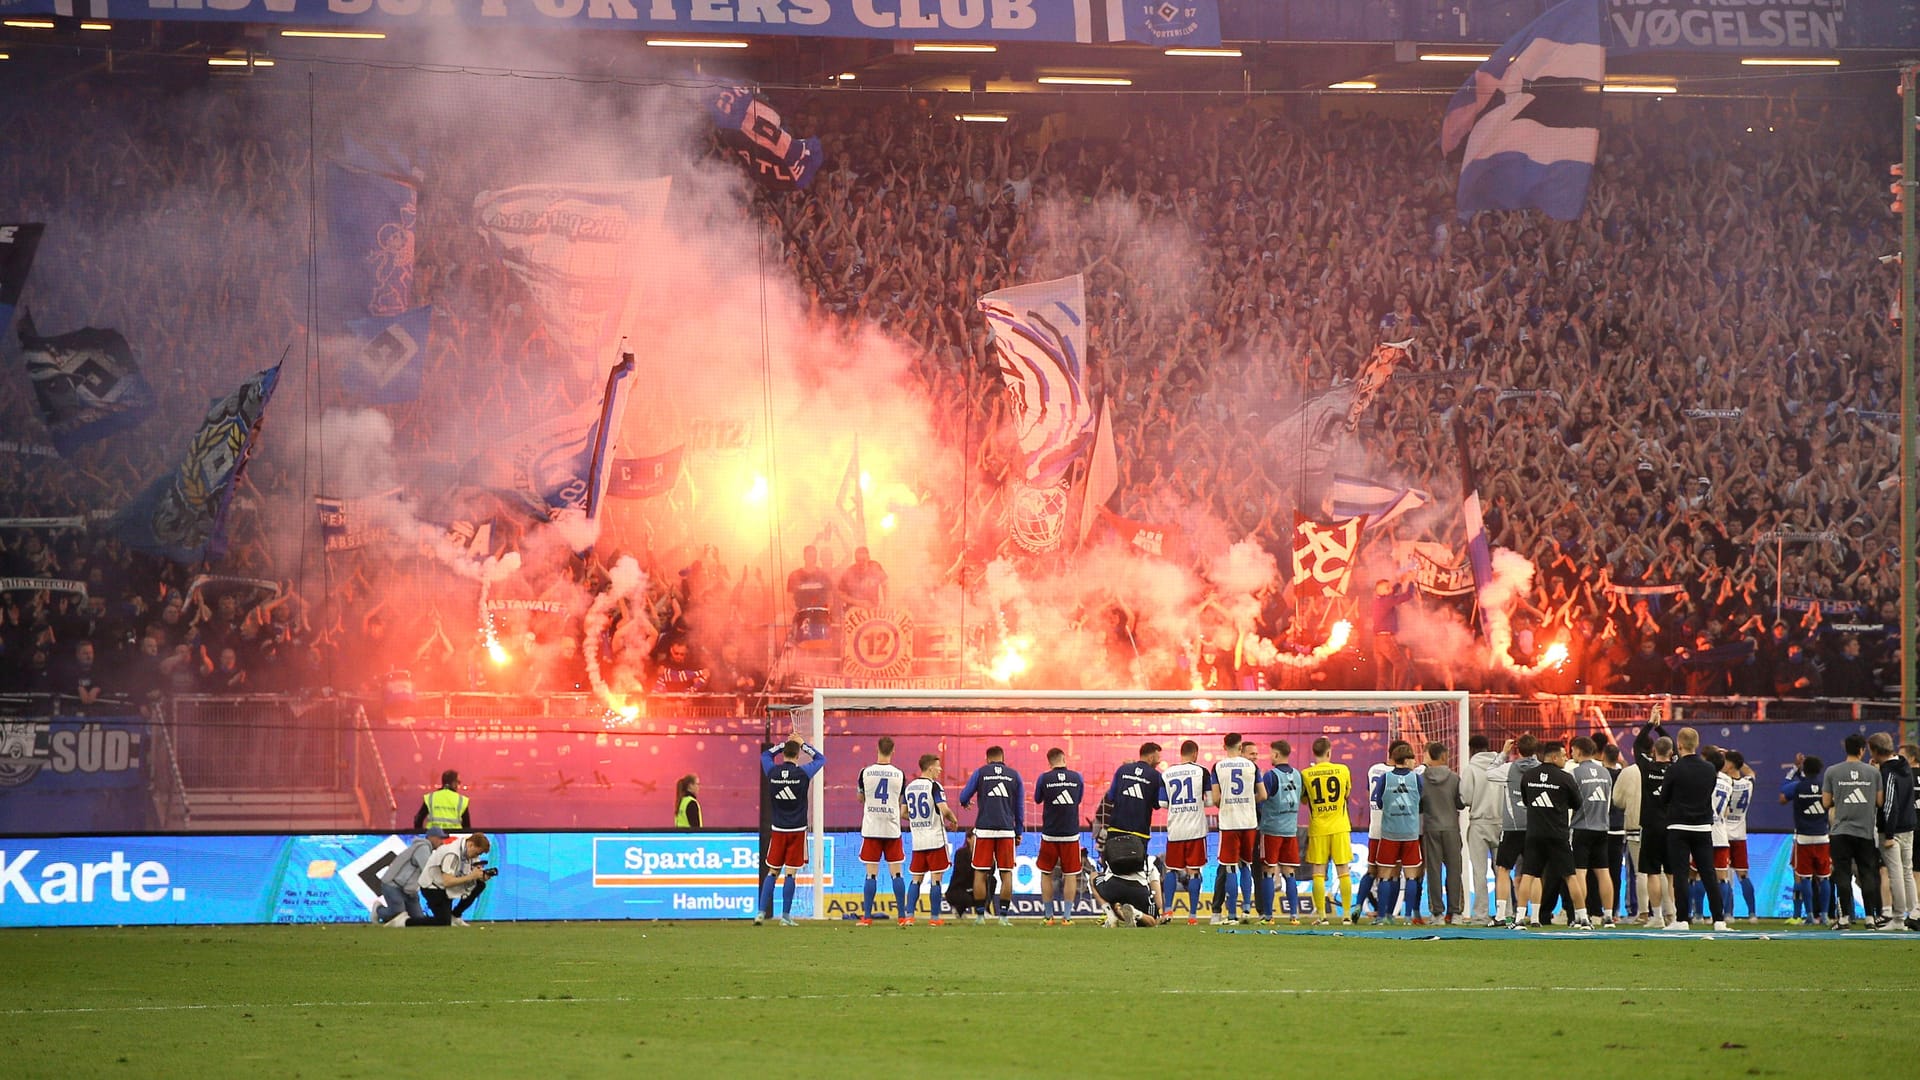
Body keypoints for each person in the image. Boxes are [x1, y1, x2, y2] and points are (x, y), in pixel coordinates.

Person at [1661, 727, 1729, 931]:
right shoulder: (1709, 769)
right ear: (1697, 744)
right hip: (1702, 826)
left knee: (1681, 874)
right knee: (1709, 873)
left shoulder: (1674, 769)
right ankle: (1719, 920)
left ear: (1679, 745)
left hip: (1678, 825)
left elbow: (1664, 798)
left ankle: (1682, 920)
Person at [757, 734, 826, 926]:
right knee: (790, 873)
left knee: (772, 872)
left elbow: (765, 756)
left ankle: (761, 913)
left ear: (784, 754)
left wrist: (781, 745)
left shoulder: (772, 771)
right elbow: (821, 759)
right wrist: (803, 744)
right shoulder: (803, 773)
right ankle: (785, 916)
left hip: (778, 829)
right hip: (797, 830)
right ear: (797, 755)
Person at [1522, 741, 1588, 929]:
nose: (1566, 758)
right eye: (1563, 755)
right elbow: (1577, 803)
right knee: (1570, 875)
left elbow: (1527, 801)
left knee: (1528, 875)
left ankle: (1519, 917)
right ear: (1553, 757)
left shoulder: (1528, 775)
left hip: (1534, 833)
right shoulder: (1565, 778)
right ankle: (1582, 917)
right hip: (1558, 833)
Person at [1822, 733, 1884, 929]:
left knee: (1842, 874)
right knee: (1867, 874)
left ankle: (1844, 919)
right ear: (1861, 750)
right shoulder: (1874, 773)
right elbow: (1880, 802)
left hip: (1840, 831)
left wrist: (1840, 799)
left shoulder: (1832, 771)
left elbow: (1825, 802)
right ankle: (1870, 918)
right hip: (1865, 832)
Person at [958, 745, 1023, 925]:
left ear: (987, 759)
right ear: (1003, 758)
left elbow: (963, 796)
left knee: (980, 872)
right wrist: (1018, 831)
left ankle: (980, 916)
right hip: (1006, 830)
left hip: (984, 830)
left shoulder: (981, 773)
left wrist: (965, 803)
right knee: (1006, 873)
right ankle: (1003, 916)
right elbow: (1019, 807)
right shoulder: (1014, 775)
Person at [1369, 743, 1424, 926]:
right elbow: (1421, 802)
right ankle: (1408, 917)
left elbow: (1378, 801)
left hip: (1390, 833)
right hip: (1410, 833)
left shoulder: (1385, 778)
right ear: (1407, 759)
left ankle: (1383, 916)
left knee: (1384, 875)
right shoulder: (1417, 779)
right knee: (1411, 876)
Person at [1300, 736, 1354, 924]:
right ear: (1329, 752)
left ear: (1314, 753)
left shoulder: (1306, 774)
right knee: (1343, 871)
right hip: (1340, 827)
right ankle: (1346, 915)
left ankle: (1322, 916)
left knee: (1318, 872)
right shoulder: (1343, 770)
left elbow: (1304, 800)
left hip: (1318, 829)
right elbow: (1347, 794)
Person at [1211, 733, 1263, 924]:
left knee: (1230, 867)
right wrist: (1248, 802)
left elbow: (1216, 799)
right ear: (1241, 747)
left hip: (1229, 822)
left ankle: (1231, 914)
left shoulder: (1217, 767)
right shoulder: (1252, 766)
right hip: (1249, 822)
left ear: (1224, 747)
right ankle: (1247, 910)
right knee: (1246, 865)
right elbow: (1263, 794)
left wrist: (1226, 803)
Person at [856, 736, 907, 926]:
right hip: (892, 829)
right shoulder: (900, 774)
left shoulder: (865, 772)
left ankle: (867, 917)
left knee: (871, 874)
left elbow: (860, 798)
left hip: (872, 828)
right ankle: (902, 916)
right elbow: (901, 800)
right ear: (893, 751)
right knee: (897, 874)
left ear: (877, 749)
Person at [903, 753, 959, 925]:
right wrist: (954, 819)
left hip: (918, 841)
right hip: (935, 839)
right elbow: (943, 809)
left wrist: (918, 820)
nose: (940, 770)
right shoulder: (934, 786)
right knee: (936, 879)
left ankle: (909, 917)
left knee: (916, 879)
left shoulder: (910, 787)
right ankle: (934, 918)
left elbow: (903, 814)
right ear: (930, 768)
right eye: (938, 766)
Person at [1868, 733, 1917, 929]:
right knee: (1907, 872)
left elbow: (1889, 804)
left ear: (1875, 751)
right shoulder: (1904, 765)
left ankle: (1897, 918)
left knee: (1895, 873)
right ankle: (1914, 913)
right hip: (1909, 826)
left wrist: (1888, 834)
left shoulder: (1888, 773)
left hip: (1893, 831)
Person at [1160, 739, 1211, 923]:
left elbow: (1162, 803)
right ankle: (1192, 916)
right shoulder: (1202, 771)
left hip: (1175, 830)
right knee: (1194, 871)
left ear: (1181, 754)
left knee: (1172, 870)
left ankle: (1167, 911)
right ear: (1195, 754)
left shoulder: (1167, 773)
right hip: (1196, 830)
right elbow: (1211, 801)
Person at [1033, 747, 1085, 925]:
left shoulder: (1043, 778)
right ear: (1064, 758)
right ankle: (1067, 917)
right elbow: (1078, 800)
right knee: (1070, 874)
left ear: (1049, 762)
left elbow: (1037, 799)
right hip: (1070, 833)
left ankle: (1048, 916)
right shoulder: (1077, 778)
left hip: (1050, 833)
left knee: (1046, 873)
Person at [1568, 737, 1616, 927]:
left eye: (1572, 751)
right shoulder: (1605, 773)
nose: (1572, 754)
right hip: (1602, 828)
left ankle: (1582, 915)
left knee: (1580, 872)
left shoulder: (1575, 773)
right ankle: (1609, 916)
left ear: (1579, 751)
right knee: (1603, 872)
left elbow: (1571, 802)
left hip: (1582, 827)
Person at [1782, 754, 1833, 926]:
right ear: (1820, 770)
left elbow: (1782, 796)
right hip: (1822, 836)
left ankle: (1810, 915)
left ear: (1804, 769)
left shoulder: (1797, 786)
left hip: (1803, 838)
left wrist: (1793, 771)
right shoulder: (1826, 787)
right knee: (1824, 877)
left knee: (1805, 878)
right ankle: (1825, 915)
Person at [1418, 741, 1465, 925]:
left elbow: (1419, 805)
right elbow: (1460, 803)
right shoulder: (1454, 778)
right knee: (1454, 871)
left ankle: (1437, 913)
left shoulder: (1422, 779)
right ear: (1444, 756)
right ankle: (1456, 913)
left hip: (1431, 827)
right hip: (1451, 828)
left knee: (1434, 871)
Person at [1257, 739, 1304, 924]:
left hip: (1271, 830)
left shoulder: (1270, 776)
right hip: (1290, 830)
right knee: (1289, 871)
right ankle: (1294, 916)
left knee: (1268, 870)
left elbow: (1262, 798)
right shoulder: (1298, 775)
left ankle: (1269, 916)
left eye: (1271, 753)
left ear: (1276, 754)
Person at [405, 832, 493, 927]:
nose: (476, 856)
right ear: (471, 845)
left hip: (445, 887)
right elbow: (447, 882)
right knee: (443, 922)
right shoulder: (452, 853)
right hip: (432, 887)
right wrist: (472, 876)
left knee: (480, 884)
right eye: (476, 853)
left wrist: (481, 876)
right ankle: (406, 922)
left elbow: (469, 875)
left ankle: (456, 915)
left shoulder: (469, 853)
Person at [1461, 734, 1504, 924]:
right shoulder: (1501, 766)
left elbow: (1465, 798)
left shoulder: (1471, 769)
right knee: (1502, 871)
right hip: (1502, 823)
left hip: (1479, 822)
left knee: (1480, 871)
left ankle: (1481, 914)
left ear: (1471, 749)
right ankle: (1505, 912)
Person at [1103, 742, 1166, 863]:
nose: (1158, 763)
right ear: (1151, 757)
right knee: (1136, 871)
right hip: (1139, 833)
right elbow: (1157, 804)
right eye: (1158, 759)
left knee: (1112, 869)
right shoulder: (1156, 776)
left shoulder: (1122, 769)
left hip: (1116, 830)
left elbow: (1111, 796)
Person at [1638, 737, 1676, 927]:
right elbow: (1676, 749)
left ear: (1653, 751)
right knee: (1671, 874)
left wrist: (1650, 724)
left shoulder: (1646, 767)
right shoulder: (1675, 767)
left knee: (1652, 873)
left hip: (1651, 826)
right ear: (1671, 753)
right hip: (1671, 825)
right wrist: (1661, 728)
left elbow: (1637, 745)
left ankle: (1658, 917)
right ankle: (1676, 916)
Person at [1722, 750, 1757, 922]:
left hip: (1724, 834)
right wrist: (1737, 759)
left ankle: (1728, 914)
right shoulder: (1748, 783)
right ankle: (1752, 914)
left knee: (1725, 876)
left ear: (1729, 765)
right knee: (1743, 874)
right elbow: (1751, 772)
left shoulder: (1724, 783)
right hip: (1740, 835)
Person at [372, 834, 434, 926]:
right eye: (440, 838)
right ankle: (378, 910)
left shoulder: (425, 849)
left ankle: (391, 917)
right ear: (432, 837)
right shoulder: (423, 848)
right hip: (393, 885)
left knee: (419, 920)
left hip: (409, 890)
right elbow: (427, 869)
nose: (442, 842)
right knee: (398, 914)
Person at [786, 544, 834, 643]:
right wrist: (798, 612)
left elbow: (830, 598)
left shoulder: (824, 575)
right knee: (801, 642)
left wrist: (826, 612)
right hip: (802, 616)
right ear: (804, 557)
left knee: (820, 643)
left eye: (814, 556)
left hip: (820, 616)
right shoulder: (795, 576)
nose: (812, 559)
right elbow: (789, 599)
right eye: (809, 556)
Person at [414, 769, 471, 835]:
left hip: (433, 838)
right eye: (458, 782)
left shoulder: (431, 798)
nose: (458, 785)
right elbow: (467, 828)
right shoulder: (461, 800)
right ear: (454, 783)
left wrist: (420, 836)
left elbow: (418, 819)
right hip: (454, 840)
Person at [838, 545, 887, 610]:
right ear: (855, 559)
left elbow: (885, 584)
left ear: (868, 558)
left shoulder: (875, 567)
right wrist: (858, 602)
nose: (861, 563)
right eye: (858, 560)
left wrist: (886, 603)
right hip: (854, 610)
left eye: (863, 560)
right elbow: (840, 593)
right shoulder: (849, 572)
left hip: (873, 610)